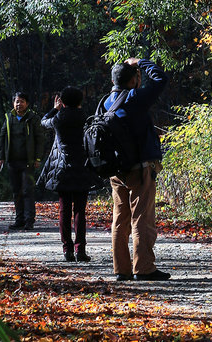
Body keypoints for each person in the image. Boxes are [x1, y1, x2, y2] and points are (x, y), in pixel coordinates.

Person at [102, 56, 169, 282]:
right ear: (133, 80)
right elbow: (161, 79)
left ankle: (121, 269)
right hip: (140, 169)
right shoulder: (135, 98)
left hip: (116, 170)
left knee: (120, 219)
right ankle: (144, 268)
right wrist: (141, 62)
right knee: (142, 218)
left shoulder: (106, 103)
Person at [41, 87, 94, 263]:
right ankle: (81, 249)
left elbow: (43, 121)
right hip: (82, 168)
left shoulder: (58, 119)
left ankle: (67, 250)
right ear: (80, 102)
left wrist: (55, 108)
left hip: (62, 170)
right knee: (80, 211)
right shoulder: (86, 119)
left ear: (62, 102)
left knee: (64, 210)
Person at [0, 90, 41, 230]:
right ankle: (19, 219)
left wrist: (38, 158)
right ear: (13, 103)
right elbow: (2, 137)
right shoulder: (9, 118)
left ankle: (29, 221)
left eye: (22, 101)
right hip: (12, 161)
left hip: (28, 161)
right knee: (17, 191)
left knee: (28, 190)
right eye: (17, 101)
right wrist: (1, 157)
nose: (19, 104)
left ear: (27, 103)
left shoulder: (33, 118)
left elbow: (40, 139)